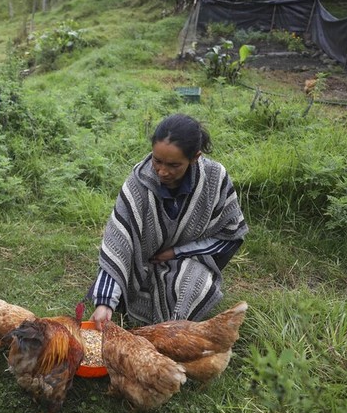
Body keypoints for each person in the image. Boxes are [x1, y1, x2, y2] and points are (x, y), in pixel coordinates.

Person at [88, 113, 248, 328]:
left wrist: (177, 252)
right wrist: (105, 303)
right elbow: (119, 242)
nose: (162, 171)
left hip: (190, 260)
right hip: (142, 264)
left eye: (174, 165)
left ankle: (172, 329)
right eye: (157, 161)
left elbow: (229, 233)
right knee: (122, 288)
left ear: (195, 157)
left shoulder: (214, 178)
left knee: (194, 288)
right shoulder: (139, 182)